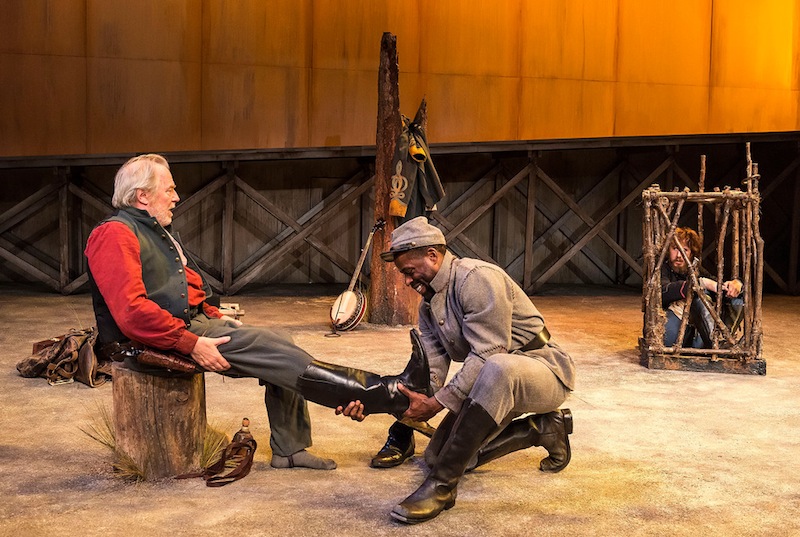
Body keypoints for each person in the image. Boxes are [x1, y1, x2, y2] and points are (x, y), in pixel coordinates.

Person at [84, 153, 431, 472]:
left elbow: (183, 286)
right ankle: (384, 394)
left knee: (282, 341)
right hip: (161, 336)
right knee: (274, 351)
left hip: (188, 324)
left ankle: (289, 449)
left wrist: (211, 313)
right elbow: (131, 312)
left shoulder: (153, 231)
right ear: (142, 196)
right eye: (169, 189)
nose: (176, 197)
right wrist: (190, 343)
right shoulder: (115, 233)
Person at [338, 216, 576, 524]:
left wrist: (438, 404)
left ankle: (442, 488)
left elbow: (489, 352)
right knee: (437, 457)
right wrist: (392, 406)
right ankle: (542, 430)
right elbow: (432, 370)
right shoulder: (428, 306)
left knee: (496, 366)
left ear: (433, 255)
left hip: (543, 371)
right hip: (493, 385)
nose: (408, 281)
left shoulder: (476, 278)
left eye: (409, 272)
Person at [661, 227, 743, 348]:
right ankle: (717, 345)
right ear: (668, 250)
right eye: (675, 249)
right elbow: (663, 291)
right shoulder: (662, 268)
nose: (679, 255)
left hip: (696, 333)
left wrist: (737, 284)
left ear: (691, 254)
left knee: (739, 296)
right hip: (672, 331)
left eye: (684, 250)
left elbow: (718, 286)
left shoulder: (695, 270)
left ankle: (725, 339)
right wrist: (701, 283)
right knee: (697, 293)